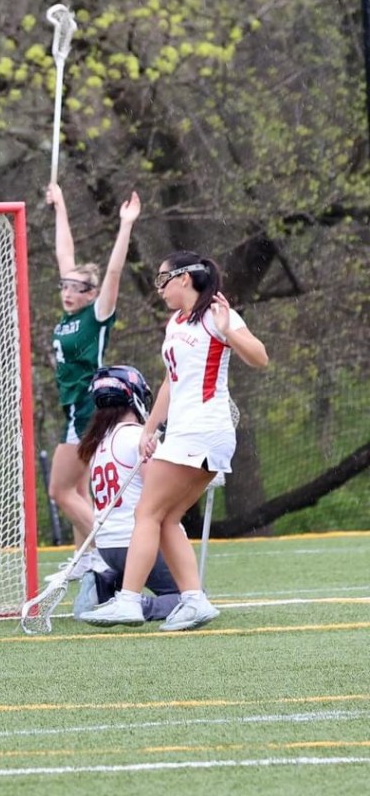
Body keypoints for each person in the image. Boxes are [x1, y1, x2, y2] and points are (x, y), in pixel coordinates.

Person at [80, 251, 268, 631]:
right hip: (186, 432)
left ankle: (129, 601)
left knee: (146, 513)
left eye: (163, 280)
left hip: (202, 430)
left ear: (184, 278)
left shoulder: (218, 315)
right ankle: (194, 600)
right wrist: (150, 429)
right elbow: (171, 381)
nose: (159, 289)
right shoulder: (175, 323)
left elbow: (260, 357)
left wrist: (229, 330)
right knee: (166, 518)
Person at [44, 182, 141, 578]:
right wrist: (61, 206)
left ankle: (108, 547)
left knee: (60, 491)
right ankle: (86, 561)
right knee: (78, 490)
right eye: (65, 286)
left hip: (87, 405)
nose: (68, 292)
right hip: (74, 406)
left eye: (77, 288)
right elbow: (64, 253)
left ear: (92, 293)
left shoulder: (96, 315)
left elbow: (114, 271)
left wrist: (126, 225)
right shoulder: (68, 316)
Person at [70, 366, 181, 622]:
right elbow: (159, 494)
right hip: (138, 542)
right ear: (135, 397)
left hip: (108, 547)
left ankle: (106, 584)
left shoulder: (99, 442)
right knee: (190, 596)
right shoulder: (138, 437)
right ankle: (136, 604)